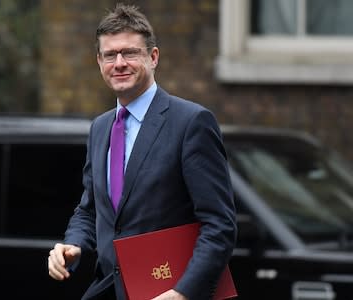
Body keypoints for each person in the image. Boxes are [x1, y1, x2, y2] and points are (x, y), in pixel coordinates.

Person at [48, 3, 236, 300]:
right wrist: (73, 245)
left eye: (130, 53)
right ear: (99, 62)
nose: (119, 62)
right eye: (110, 55)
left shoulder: (191, 123)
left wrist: (183, 293)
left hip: (170, 292)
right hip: (109, 289)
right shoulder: (100, 128)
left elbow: (220, 225)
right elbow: (91, 210)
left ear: (153, 57)